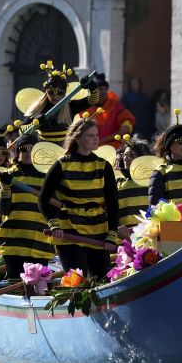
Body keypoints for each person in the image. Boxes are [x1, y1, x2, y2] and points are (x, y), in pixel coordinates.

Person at [39, 115, 119, 278]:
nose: (96, 139)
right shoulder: (61, 164)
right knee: (77, 282)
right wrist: (54, 225)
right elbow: (43, 198)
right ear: (77, 138)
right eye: (91, 135)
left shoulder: (104, 166)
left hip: (98, 231)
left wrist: (112, 234)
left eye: (97, 135)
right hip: (70, 232)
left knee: (102, 282)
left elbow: (112, 203)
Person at [0, 131, 55, 280]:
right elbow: (4, 209)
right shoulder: (9, 175)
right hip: (15, 240)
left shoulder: (48, 177)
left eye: (31, 149)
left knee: (40, 285)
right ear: (17, 152)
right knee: (15, 282)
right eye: (23, 149)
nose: (27, 153)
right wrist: (6, 186)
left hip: (40, 240)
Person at [24, 61, 103, 145]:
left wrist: (92, 87)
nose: (55, 95)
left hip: (64, 151)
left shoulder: (71, 106)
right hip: (44, 152)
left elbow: (93, 100)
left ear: (64, 93)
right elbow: (22, 130)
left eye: (60, 92)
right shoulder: (38, 108)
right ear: (46, 91)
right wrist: (35, 123)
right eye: (51, 92)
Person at [81, 78, 135, 148]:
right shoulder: (85, 106)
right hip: (89, 148)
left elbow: (127, 121)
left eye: (105, 89)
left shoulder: (115, 105)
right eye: (100, 89)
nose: (103, 91)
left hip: (112, 148)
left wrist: (103, 140)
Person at [114, 138, 151, 229]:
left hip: (149, 234)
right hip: (123, 238)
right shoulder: (117, 182)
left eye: (131, 155)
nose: (126, 158)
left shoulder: (151, 181)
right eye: (125, 154)